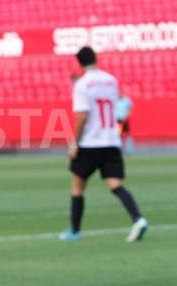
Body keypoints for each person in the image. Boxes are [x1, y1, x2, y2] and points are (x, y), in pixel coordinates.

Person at [61, 46, 147, 243]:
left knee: (77, 184)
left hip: (91, 141)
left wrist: (74, 143)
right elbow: (112, 102)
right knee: (115, 184)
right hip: (111, 140)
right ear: (95, 59)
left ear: (79, 63)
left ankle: (75, 231)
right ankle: (138, 219)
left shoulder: (82, 85)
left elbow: (82, 116)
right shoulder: (111, 80)